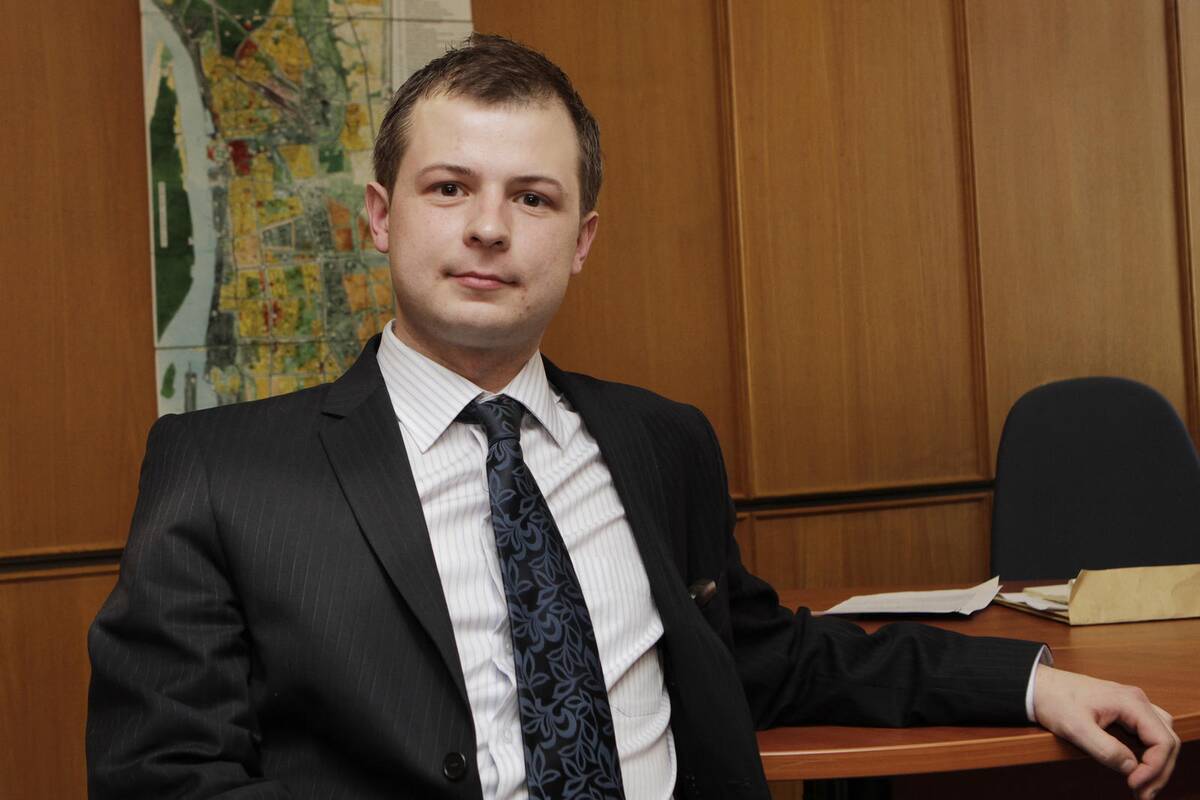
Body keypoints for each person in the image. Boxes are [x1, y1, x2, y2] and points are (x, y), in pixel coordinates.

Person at [87, 33, 1179, 800]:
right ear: (380, 216)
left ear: (582, 240)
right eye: (449, 188)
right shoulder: (223, 472)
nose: (489, 228)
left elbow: (771, 659)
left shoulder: (660, 442)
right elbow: (162, 776)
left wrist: (1035, 683)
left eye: (533, 197)